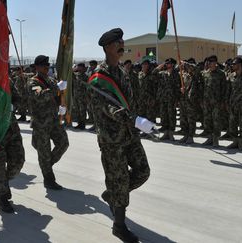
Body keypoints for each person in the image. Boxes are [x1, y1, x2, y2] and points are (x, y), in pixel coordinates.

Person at [89, 28, 152, 243]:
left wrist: (139, 121)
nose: (122, 44)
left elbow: (129, 102)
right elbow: (108, 107)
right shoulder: (99, 77)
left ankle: (113, 195)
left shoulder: (123, 73)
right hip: (111, 139)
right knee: (120, 180)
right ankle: (119, 225)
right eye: (118, 42)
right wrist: (133, 119)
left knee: (143, 171)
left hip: (129, 134)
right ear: (108, 47)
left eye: (122, 41)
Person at [27, 55, 69, 190]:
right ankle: (48, 179)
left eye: (47, 65)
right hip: (41, 123)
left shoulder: (51, 80)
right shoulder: (33, 82)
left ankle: (46, 164)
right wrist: (57, 88)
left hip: (54, 121)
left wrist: (61, 106)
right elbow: (40, 95)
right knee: (44, 152)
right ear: (37, 67)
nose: (47, 67)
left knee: (63, 143)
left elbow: (57, 96)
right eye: (44, 65)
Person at [0, 83, 25, 213]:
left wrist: (13, 106)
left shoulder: (5, 79)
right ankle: (2, 197)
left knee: (18, 160)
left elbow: (17, 98)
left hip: (11, 127)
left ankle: (3, 182)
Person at [201, 55, 227, 147]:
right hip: (207, 102)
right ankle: (209, 138)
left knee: (216, 121)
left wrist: (223, 101)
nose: (209, 64)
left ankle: (216, 139)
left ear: (215, 62)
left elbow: (224, 89)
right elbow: (203, 88)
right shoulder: (205, 73)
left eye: (211, 62)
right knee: (207, 121)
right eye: (208, 62)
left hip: (217, 102)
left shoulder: (221, 74)